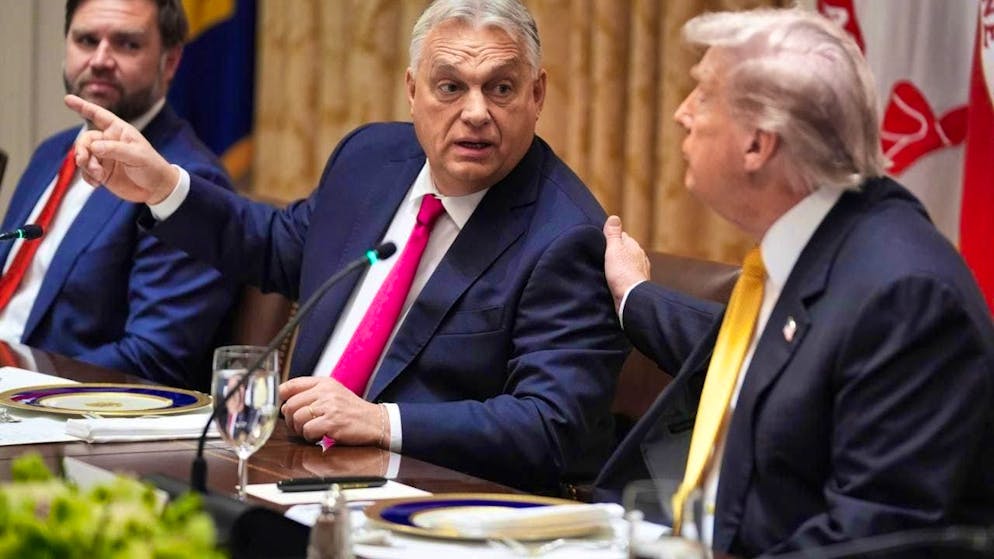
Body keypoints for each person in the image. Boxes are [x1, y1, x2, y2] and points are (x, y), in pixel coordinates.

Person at [64, 0, 629, 492]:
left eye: (500, 88)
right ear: (413, 91)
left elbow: (555, 426)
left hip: (414, 496)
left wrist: (384, 421)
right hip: (285, 463)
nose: (476, 113)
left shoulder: (564, 235)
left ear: (537, 94)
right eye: (450, 86)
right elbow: (276, 248)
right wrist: (162, 186)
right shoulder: (371, 158)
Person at [594, 7, 994, 557]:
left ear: (758, 143)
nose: (683, 114)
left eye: (704, 95)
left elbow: (870, 541)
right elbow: (763, 365)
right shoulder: (813, 252)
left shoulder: (905, 296)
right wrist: (632, 296)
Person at [0, 0, 235, 389]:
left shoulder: (187, 182)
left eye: (127, 44)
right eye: (86, 40)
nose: (101, 59)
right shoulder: (52, 152)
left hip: (63, 416)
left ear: (171, 61)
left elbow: (153, 358)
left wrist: (16, 380)